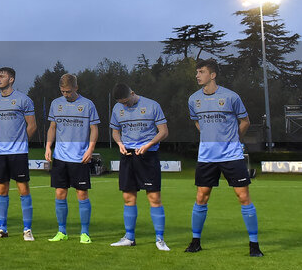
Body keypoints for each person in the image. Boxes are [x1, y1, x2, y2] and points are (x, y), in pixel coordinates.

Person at [186, 59, 263, 257]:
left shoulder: (231, 97)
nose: (197, 75)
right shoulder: (193, 99)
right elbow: (198, 123)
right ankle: (195, 242)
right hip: (206, 157)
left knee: (243, 197)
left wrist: (234, 139)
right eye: (197, 72)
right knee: (201, 197)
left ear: (212, 75)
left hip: (231, 155)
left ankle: (254, 245)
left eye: (201, 72)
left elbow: (245, 121)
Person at [109, 83, 170, 251]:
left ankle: (160, 239)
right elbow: (115, 131)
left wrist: (149, 145)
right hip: (127, 155)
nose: (125, 105)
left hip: (148, 155)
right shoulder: (117, 108)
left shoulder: (152, 105)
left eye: (127, 102)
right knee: (128, 198)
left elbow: (163, 131)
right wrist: (119, 143)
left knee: (154, 198)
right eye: (122, 103)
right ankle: (129, 237)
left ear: (133, 93)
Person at [44, 74, 98, 244]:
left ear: (76, 88)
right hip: (60, 157)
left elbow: (94, 129)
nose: (65, 94)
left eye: (68, 91)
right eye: (62, 91)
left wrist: (90, 149)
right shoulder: (56, 104)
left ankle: (84, 233)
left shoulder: (88, 104)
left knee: (82, 194)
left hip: (80, 158)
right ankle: (62, 231)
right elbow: (52, 127)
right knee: (60, 193)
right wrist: (48, 146)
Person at [0, 67, 37, 241]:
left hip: (19, 152)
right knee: (1, 189)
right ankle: (2, 229)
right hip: (0, 152)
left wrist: (21, 143)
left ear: (12, 79)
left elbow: (32, 126)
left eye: (2, 76)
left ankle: (27, 230)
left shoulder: (24, 100)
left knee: (23, 189)